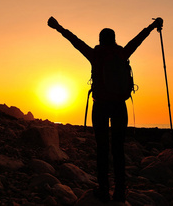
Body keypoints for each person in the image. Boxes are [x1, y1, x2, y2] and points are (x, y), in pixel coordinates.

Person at [47, 16, 163, 202]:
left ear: (100, 39)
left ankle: (103, 189)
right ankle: (119, 191)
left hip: (100, 105)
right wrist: (153, 25)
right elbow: (138, 39)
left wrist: (58, 27)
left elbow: (74, 41)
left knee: (102, 149)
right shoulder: (122, 53)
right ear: (114, 39)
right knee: (118, 149)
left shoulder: (95, 54)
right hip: (119, 105)